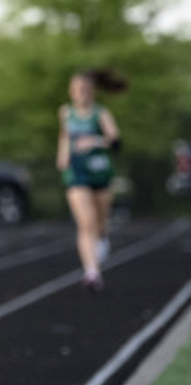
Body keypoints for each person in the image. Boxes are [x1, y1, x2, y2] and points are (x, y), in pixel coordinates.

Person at [55, 68, 124, 291]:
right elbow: (64, 135)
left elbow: (115, 142)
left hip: (100, 172)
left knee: (100, 223)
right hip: (76, 173)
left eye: (85, 89)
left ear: (92, 91)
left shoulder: (100, 113)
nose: (81, 93)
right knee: (86, 223)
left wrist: (94, 141)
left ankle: (102, 239)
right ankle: (92, 272)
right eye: (76, 89)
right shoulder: (66, 112)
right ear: (71, 91)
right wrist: (62, 155)